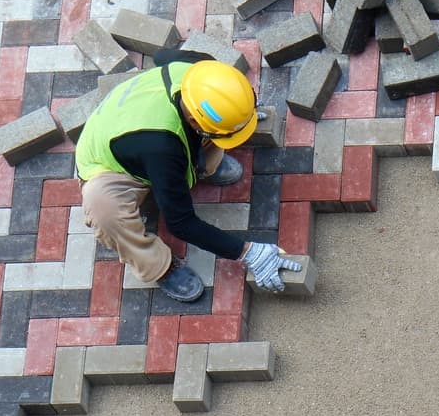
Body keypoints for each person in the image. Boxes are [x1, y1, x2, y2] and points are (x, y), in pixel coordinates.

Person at [76, 50, 301, 302]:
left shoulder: (203, 72)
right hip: (111, 162)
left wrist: (240, 115)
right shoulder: (161, 146)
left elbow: (161, 56)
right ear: (194, 119)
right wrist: (246, 252)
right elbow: (180, 222)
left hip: (143, 119)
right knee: (105, 213)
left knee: (212, 134)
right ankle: (160, 267)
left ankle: (201, 163)